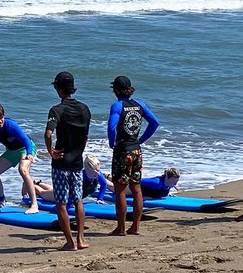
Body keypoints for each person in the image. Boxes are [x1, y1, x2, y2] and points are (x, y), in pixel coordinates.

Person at [107, 75, 160, 236]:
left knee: (120, 189)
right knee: (136, 189)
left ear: (116, 91)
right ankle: (135, 227)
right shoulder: (140, 105)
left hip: (123, 150)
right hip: (136, 150)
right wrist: (141, 139)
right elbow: (155, 122)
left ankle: (121, 228)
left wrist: (111, 142)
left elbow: (111, 127)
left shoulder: (117, 106)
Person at [45, 71, 91, 251]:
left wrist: (51, 152)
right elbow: (85, 134)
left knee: (61, 203)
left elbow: (48, 133)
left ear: (58, 88)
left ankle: (70, 242)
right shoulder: (85, 109)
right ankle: (80, 239)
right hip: (77, 161)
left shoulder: (56, 110)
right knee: (78, 200)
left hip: (61, 162)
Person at [26, 154, 108, 204]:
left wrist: (100, 198)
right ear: (86, 170)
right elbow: (70, 191)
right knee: (43, 193)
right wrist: (69, 203)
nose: (96, 173)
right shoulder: (80, 177)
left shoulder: (98, 174)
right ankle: (30, 185)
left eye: (98, 170)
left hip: (67, 193)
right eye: (93, 172)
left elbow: (104, 184)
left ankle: (38, 183)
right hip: (64, 194)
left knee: (52, 190)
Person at [106, 167, 179, 198]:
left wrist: (167, 192)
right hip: (131, 189)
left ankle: (107, 176)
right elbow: (137, 180)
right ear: (167, 177)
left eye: (176, 181)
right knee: (113, 187)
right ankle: (101, 177)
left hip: (135, 189)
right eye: (174, 181)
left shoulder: (168, 185)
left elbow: (162, 189)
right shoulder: (156, 183)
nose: (175, 183)